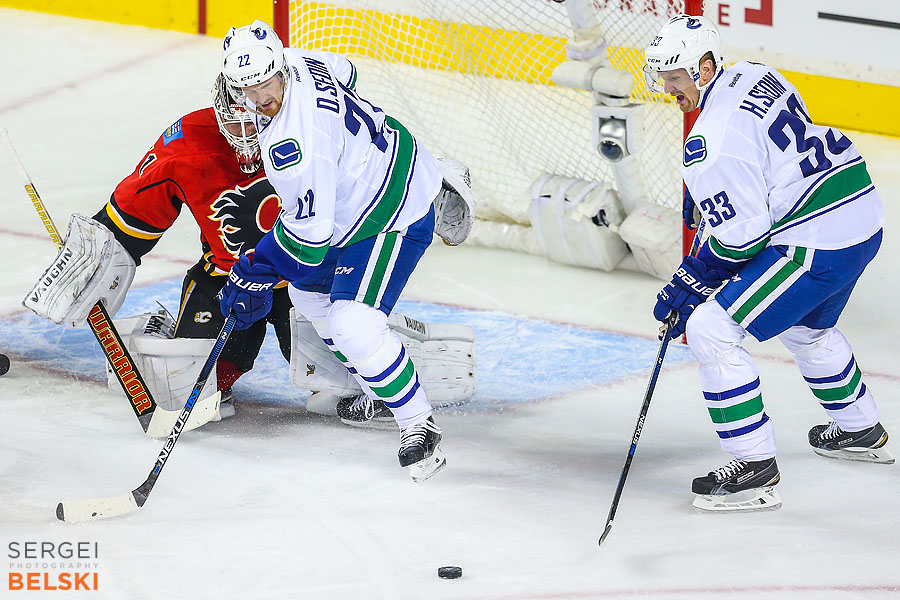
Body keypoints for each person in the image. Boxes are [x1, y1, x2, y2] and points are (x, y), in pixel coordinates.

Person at [643, 15, 891, 512]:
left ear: (705, 67)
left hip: (817, 241)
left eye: (675, 76)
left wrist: (691, 282)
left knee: (711, 329)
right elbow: (770, 153)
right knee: (806, 329)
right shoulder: (756, 73)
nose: (667, 88)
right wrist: (717, 194)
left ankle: (753, 469)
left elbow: (742, 241)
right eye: (662, 77)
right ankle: (860, 429)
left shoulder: (709, 145)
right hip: (861, 214)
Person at [215, 20, 475, 481]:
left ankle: (419, 423)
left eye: (266, 83)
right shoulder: (299, 59)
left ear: (278, 68)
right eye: (249, 88)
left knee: (352, 323)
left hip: (394, 206)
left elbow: (309, 243)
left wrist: (252, 272)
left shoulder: (293, 145)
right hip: (366, 184)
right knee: (306, 294)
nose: (260, 97)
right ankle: (375, 384)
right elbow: (347, 72)